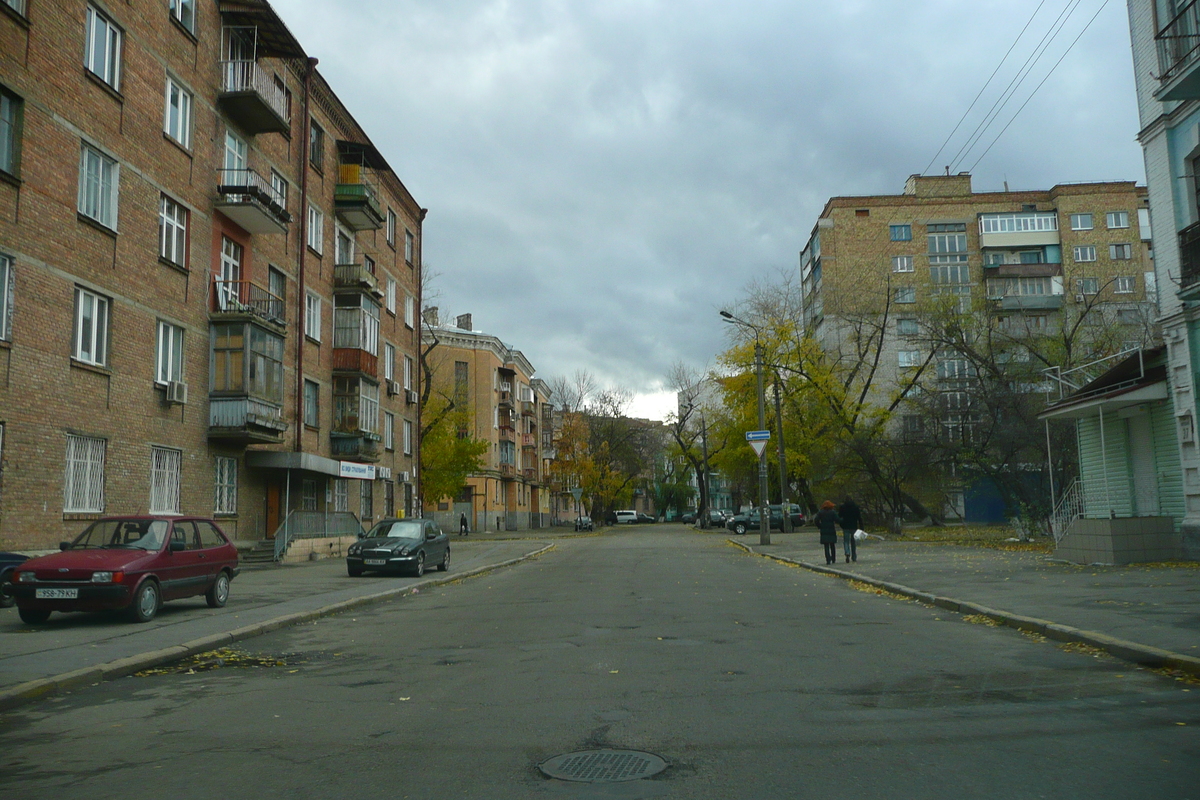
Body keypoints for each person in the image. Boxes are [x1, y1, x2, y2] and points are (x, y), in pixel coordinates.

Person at [814, 500, 841, 565]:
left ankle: (828, 559)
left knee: (826, 546)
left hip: (824, 530)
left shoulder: (820, 513)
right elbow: (837, 520)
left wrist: (820, 526)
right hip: (831, 529)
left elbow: (816, 520)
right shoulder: (833, 512)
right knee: (832, 545)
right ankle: (833, 559)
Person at [838, 497, 862, 563]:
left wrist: (841, 525)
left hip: (845, 526)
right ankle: (854, 556)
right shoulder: (855, 507)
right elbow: (859, 517)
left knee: (846, 541)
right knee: (853, 542)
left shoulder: (842, 507)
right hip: (853, 526)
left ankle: (847, 553)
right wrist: (861, 526)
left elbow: (839, 517)